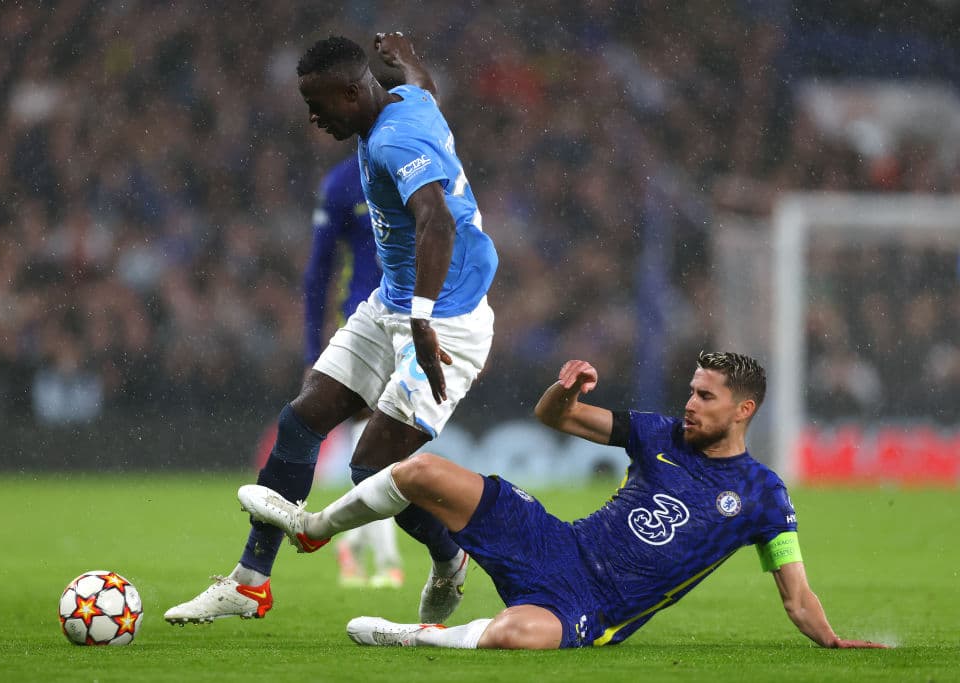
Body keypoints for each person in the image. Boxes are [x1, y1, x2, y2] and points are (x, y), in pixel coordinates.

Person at [165, 33, 497, 625]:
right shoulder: (407, 102)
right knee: (301, 420)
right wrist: (410, 56)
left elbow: (437, 222)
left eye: (318, 104)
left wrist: (421, 319)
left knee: (372, 471)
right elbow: (425, 85)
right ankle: (249, 584)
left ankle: (451, 557)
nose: (313, 118)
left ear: (352, 91)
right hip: (390, 303)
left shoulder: (397, 141)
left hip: (446, 321)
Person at [238, 352, 890, 650]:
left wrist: (832, 639)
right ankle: (314, 525)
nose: (689, 402)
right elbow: (559, 420)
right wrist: (565, 387)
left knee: (519, 635)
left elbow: (795, 591)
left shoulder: (763, 496)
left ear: (743, 410)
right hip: (555, 541)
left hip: (591, 604)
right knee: (422, 471)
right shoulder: (657, 433)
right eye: (691, 389)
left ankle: (411, 635)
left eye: (706, 396)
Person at [302, 151, 404, 589]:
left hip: (415, 320)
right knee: (376, 440)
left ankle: (354, 547)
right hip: (364, 319)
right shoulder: (342, 183)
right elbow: (317, 272)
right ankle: (384, 558)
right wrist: (312, 352)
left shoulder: (416, 165)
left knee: (385, 441)